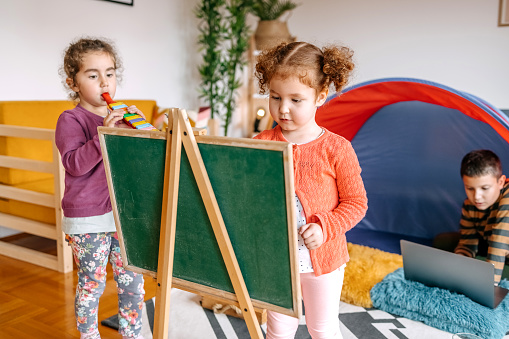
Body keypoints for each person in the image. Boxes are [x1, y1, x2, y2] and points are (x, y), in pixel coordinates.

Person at [253, 41, 368, 339]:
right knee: (278, 329)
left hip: (323, 259)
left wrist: (325, 226)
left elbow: (356, 203)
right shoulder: (261, 141)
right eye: (275, 97)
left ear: (320, 96)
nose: (283, 108)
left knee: (323, 329)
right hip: (275, 259)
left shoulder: (337, 149)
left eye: (296, 99)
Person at [56, 37, 146, 339]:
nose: (104, 81)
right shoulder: (71, 119)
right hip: (87, 220)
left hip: (123, 216)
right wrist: (103, 132)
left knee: (133, 282)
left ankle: (133, 334)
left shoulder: (121, 119)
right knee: (92, 283)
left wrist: (140, 132)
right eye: (92, 75)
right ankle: (89, 336)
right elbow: (74, 163)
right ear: (74, 82)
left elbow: (136, 164)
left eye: (109, 73)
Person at [453, 149, 509, 285]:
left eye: (485, 188)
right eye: (470, 189)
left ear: (500, 182)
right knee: (441, 242)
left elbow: (499, 240)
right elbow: (467, 244)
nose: (477, 197)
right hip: (487, 243)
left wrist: (490, 285)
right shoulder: (469, 205)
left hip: (501, 249)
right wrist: (455, 266)